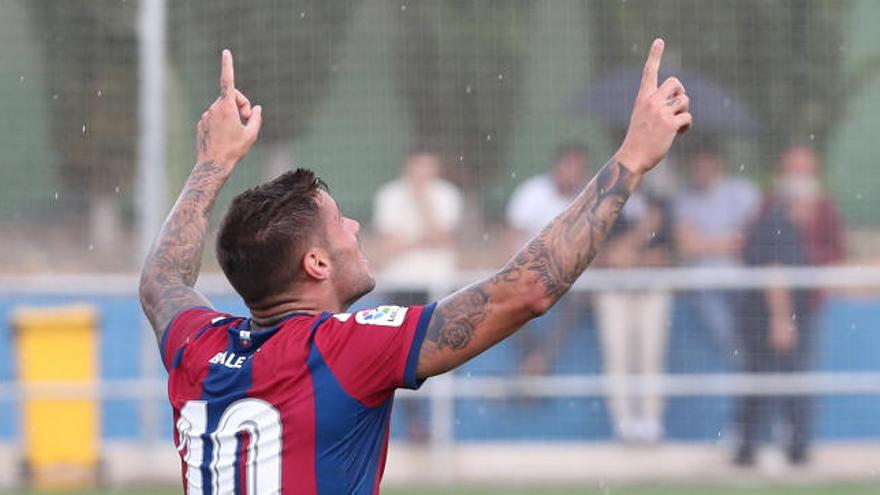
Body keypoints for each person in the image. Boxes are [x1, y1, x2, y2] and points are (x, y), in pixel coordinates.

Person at [139, 41, 691, 493]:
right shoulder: (343, 349)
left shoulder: (199, 349)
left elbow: (161, 280)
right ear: (315, 263)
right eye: (340, 224)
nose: (355, 229)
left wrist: (212, 164)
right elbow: (526, 291)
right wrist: (632, 159)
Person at [733, 144, 845, 466]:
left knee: (794, 380)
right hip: (766, 317)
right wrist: (783, 321)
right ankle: (753, 447)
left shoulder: (818, 213)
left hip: (801, 311)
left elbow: (833, 256)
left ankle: (792, 446)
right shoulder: (773, 218)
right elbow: (774, 273)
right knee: (763, 380)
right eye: (795, 173)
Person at [372, 150, 463, 442]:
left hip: (437, 286)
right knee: (401, 357)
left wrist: (422, 206)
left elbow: (441, 235)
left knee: (441, 352)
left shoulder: (447, 195)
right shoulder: (389, 195)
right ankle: (414, 426)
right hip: (401, 284)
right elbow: (388, 244)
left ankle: (443, 425)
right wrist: (423, 238)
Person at [594, 189, 674, 443]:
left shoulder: (661, 202)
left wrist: (632, 255)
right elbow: (611, 258)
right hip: (615, 292)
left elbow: (664, 257)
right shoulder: (607, 200)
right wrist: (642, 232)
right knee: (617, 356)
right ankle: (624, 424)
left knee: (651, 355)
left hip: (651, 291)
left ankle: (651, 422)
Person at [505, 143, 590, 376]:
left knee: (578, 303)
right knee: (510, 307)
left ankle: (538, 361)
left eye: (579, 168)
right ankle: (536, 361)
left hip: (568, 281)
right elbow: (513, 237)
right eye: (569, 166)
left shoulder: (587, 199)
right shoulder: (533, 192)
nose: (573, 173)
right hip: (529, 274)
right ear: (557, 166)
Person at [674, 141, 760, 357]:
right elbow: (686, 246)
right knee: (731, 340)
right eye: (697, 164)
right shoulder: (685, 198)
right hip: (706, 285)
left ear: (717, 163)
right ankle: (746, 377)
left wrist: (704, 243)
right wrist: (727, 242)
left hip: (743, 281)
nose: (701, 169)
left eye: (706, 163)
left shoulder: (742, 192)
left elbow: (749, 240)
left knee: (751, 335)